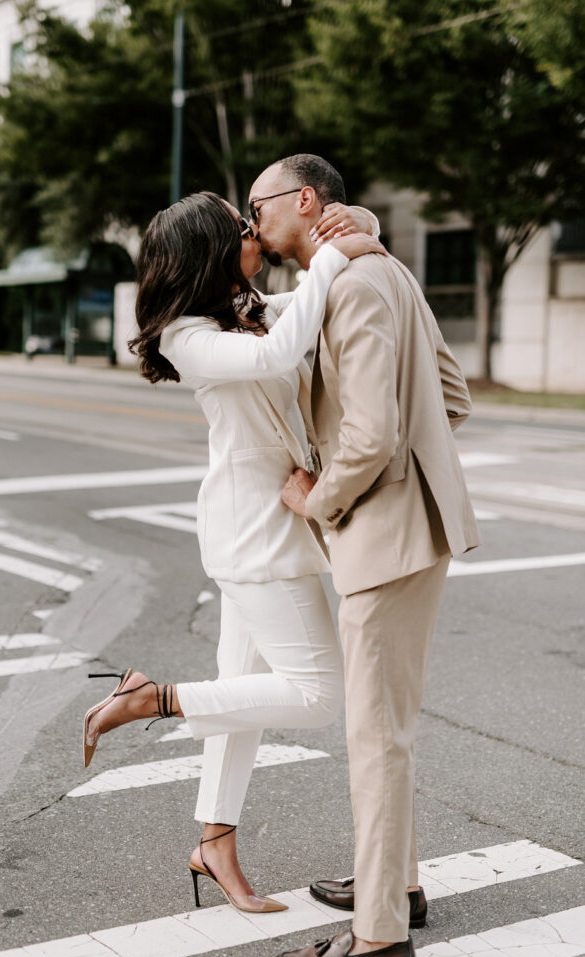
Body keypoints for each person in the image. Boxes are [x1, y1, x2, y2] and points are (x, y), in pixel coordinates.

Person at [82, 191, 385, 915]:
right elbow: (286, 346)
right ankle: (151, 698)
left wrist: (362, 226)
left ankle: (214, 842)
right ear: (211, 248)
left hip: (269, 525)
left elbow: (306, 309)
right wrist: (341, 249)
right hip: (255, 535)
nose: (255, 234)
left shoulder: (241, 312)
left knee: (243, 697)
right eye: (241, 227)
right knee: (317, 696)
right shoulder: (187, 336)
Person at [243, 154, 480, 957]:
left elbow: (374, 436)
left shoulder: (351, 284)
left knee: (375, 738)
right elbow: (451, 397)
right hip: (415, 531)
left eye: (259, 205)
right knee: (389, 730)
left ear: (306, 201)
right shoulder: (382, 273)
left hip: (383, 538)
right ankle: (398, 885)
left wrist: (319, 498)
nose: (252, 222)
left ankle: (381, 936)